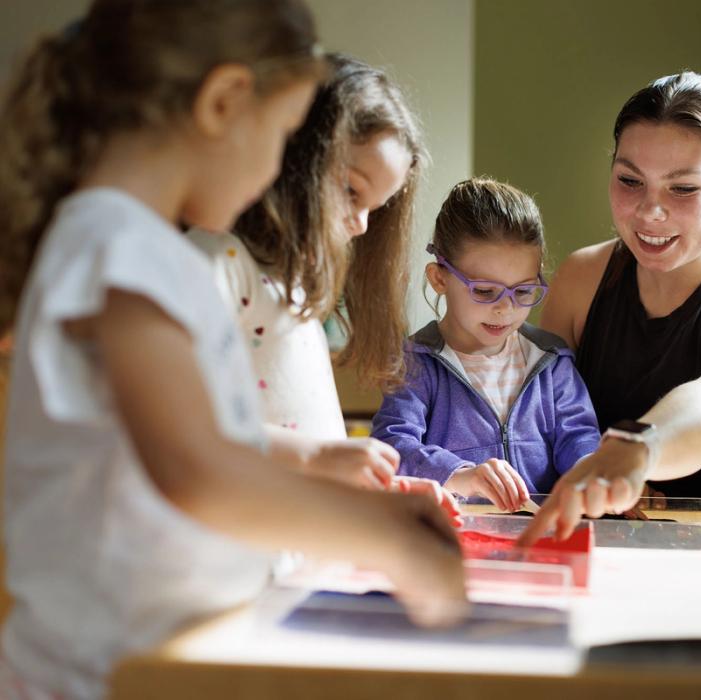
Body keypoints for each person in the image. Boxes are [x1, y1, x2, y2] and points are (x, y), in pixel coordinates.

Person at [0, 3, 464, 698]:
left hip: (156, 662)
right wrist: (387, 540)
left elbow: (196, 440)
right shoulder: (118, 246)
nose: (280, 167)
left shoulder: (137, 250)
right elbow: (195, 468)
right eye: (281, 134)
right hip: (95, 676)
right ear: (223, 103)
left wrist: (327, 475)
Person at [521, 72, 701, 544]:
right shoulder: (581, 280)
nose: (648, 212)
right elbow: (542, 422)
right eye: (630, 181)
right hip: (590, 554)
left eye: (682, 189)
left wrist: (640, 448)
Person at [188, 54, 456, 512]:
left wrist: (379, 492)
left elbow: (309, 452)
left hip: (299, 547)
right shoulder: (218, 261)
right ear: (296, 154)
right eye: (352, 190)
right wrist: (319, 456)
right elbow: (185, 426)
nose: (361, 225)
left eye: (377, 206)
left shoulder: (298, 293)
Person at [371, 178, 601, 512]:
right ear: (439, 278)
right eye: (484, 291)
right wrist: (461, 474)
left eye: (523, 291)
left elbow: (579, 438)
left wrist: (593, 477)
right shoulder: (416, 362)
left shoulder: (551, 360)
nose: (505, 308)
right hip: (454, 536)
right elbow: (392, 447)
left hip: (539, 535)